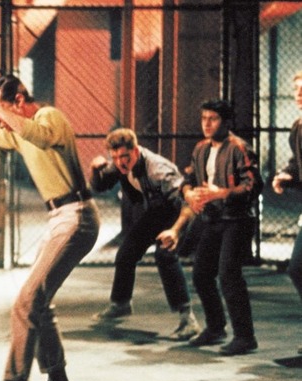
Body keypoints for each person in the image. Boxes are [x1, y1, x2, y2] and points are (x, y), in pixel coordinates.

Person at [0, 75, 100, 381]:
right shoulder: (19, 128)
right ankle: (57, 379)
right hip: (58, 217)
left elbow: (33, 134)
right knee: (39, 301)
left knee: (26, 302)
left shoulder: (49, 118)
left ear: (19, 100)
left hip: (77, 216)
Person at [157, 99, 262, 356]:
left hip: (237, 220)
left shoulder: (239, 148)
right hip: (212, 220)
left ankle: (245, 337)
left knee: (229, 275)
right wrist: (189, 193)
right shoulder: (201, 148)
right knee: (202, 274)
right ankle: (216, 328)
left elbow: (253, 185)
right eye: (204, 118)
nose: (206, 123)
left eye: (212, 119)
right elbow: (189, 180)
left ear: (225, 122)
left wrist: (222, 193)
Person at [90, 128, 200, 340]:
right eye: (115, 157)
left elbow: (187, 203)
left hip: (180, 214)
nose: (121, 163)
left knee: (165, 256)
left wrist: (175, 231)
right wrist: (95, 170)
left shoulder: (158, 170)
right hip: (157, 212)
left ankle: (188, 320)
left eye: (124, 156)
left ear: (136, 150)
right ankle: (120, 304)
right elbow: (100, 185)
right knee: (126, 253)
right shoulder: (121, 165)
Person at [271, 69, 302, 354]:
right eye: (297, 91)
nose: (300, 96)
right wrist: (286, 174)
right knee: (297, 268)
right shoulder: (298, 127)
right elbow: (297, 161)